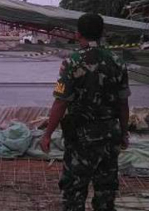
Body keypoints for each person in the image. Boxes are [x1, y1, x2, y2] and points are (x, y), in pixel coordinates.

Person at [40, 13, 130, 211]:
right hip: (109, 136)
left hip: (81, 139)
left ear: (77, 34)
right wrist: (124, 133)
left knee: (74, 192)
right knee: (106, 192)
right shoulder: (117, 62)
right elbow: (123, 104)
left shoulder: (72, 63)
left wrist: (47, 133)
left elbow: (61, 102)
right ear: (102, 33)